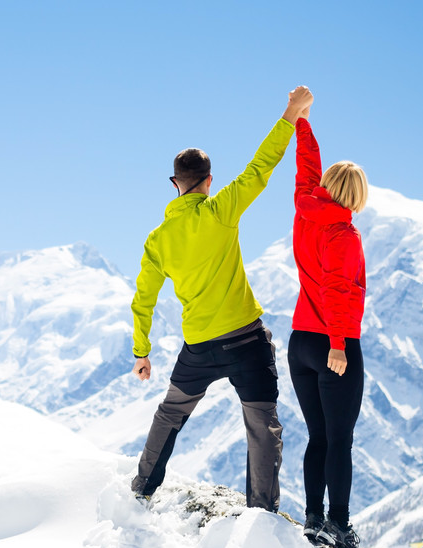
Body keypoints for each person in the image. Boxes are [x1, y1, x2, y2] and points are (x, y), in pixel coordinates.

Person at [129, 85, 315, 512]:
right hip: (246, 342)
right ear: (209, 182)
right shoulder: (221, 210)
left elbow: (144, 299)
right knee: (261, 426)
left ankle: (141, 488)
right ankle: (261, 516)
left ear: (175, 183)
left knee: (170, 413)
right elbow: (260, 167)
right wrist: (290, 114)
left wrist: (142, 351)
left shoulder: (158, 240)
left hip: (199, 348)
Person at [288, 104, 369, 548]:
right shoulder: (344, 234)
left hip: (300, 341)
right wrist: (338, 344)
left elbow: (306, 167)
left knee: (318, 436)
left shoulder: (305, 209)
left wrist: (303, 121)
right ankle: (338, 526)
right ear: (355, 194)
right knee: (340, 439)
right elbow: (340, 289)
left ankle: (314, 519)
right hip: (332, 343)